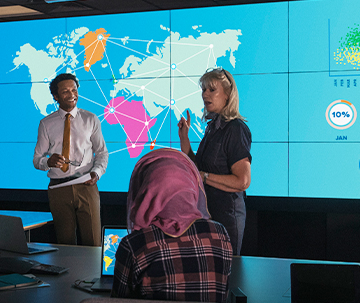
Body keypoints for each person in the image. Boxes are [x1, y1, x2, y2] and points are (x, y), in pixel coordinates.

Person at [111, 148, 232, 302]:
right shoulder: (220, 235)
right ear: (191, 187)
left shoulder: (134, 245)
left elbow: (116, 299)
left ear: (147, 192)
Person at [178, 67, 251, 255]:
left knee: (225, 277)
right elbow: (196, 168)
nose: (205, 95)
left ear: (227, 94)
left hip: (226, 219)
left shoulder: (235, 129)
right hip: (206, 215)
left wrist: (205, 176)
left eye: (212, 90)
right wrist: (184, 138)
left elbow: (242, 181)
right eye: (203, 90)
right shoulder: (212, 128)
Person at [33, 73, 108, 246]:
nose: (72, 94)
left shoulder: (91, 119)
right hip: (59, 188)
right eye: (65, 91)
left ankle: (94, 274)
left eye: (74, 90)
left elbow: (102, 153)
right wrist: (48, 162)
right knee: (64, 243)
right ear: (56, 96)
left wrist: (96, 173)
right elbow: (37, 159)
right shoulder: (46, 123)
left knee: (93, 243)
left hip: (86, 186)